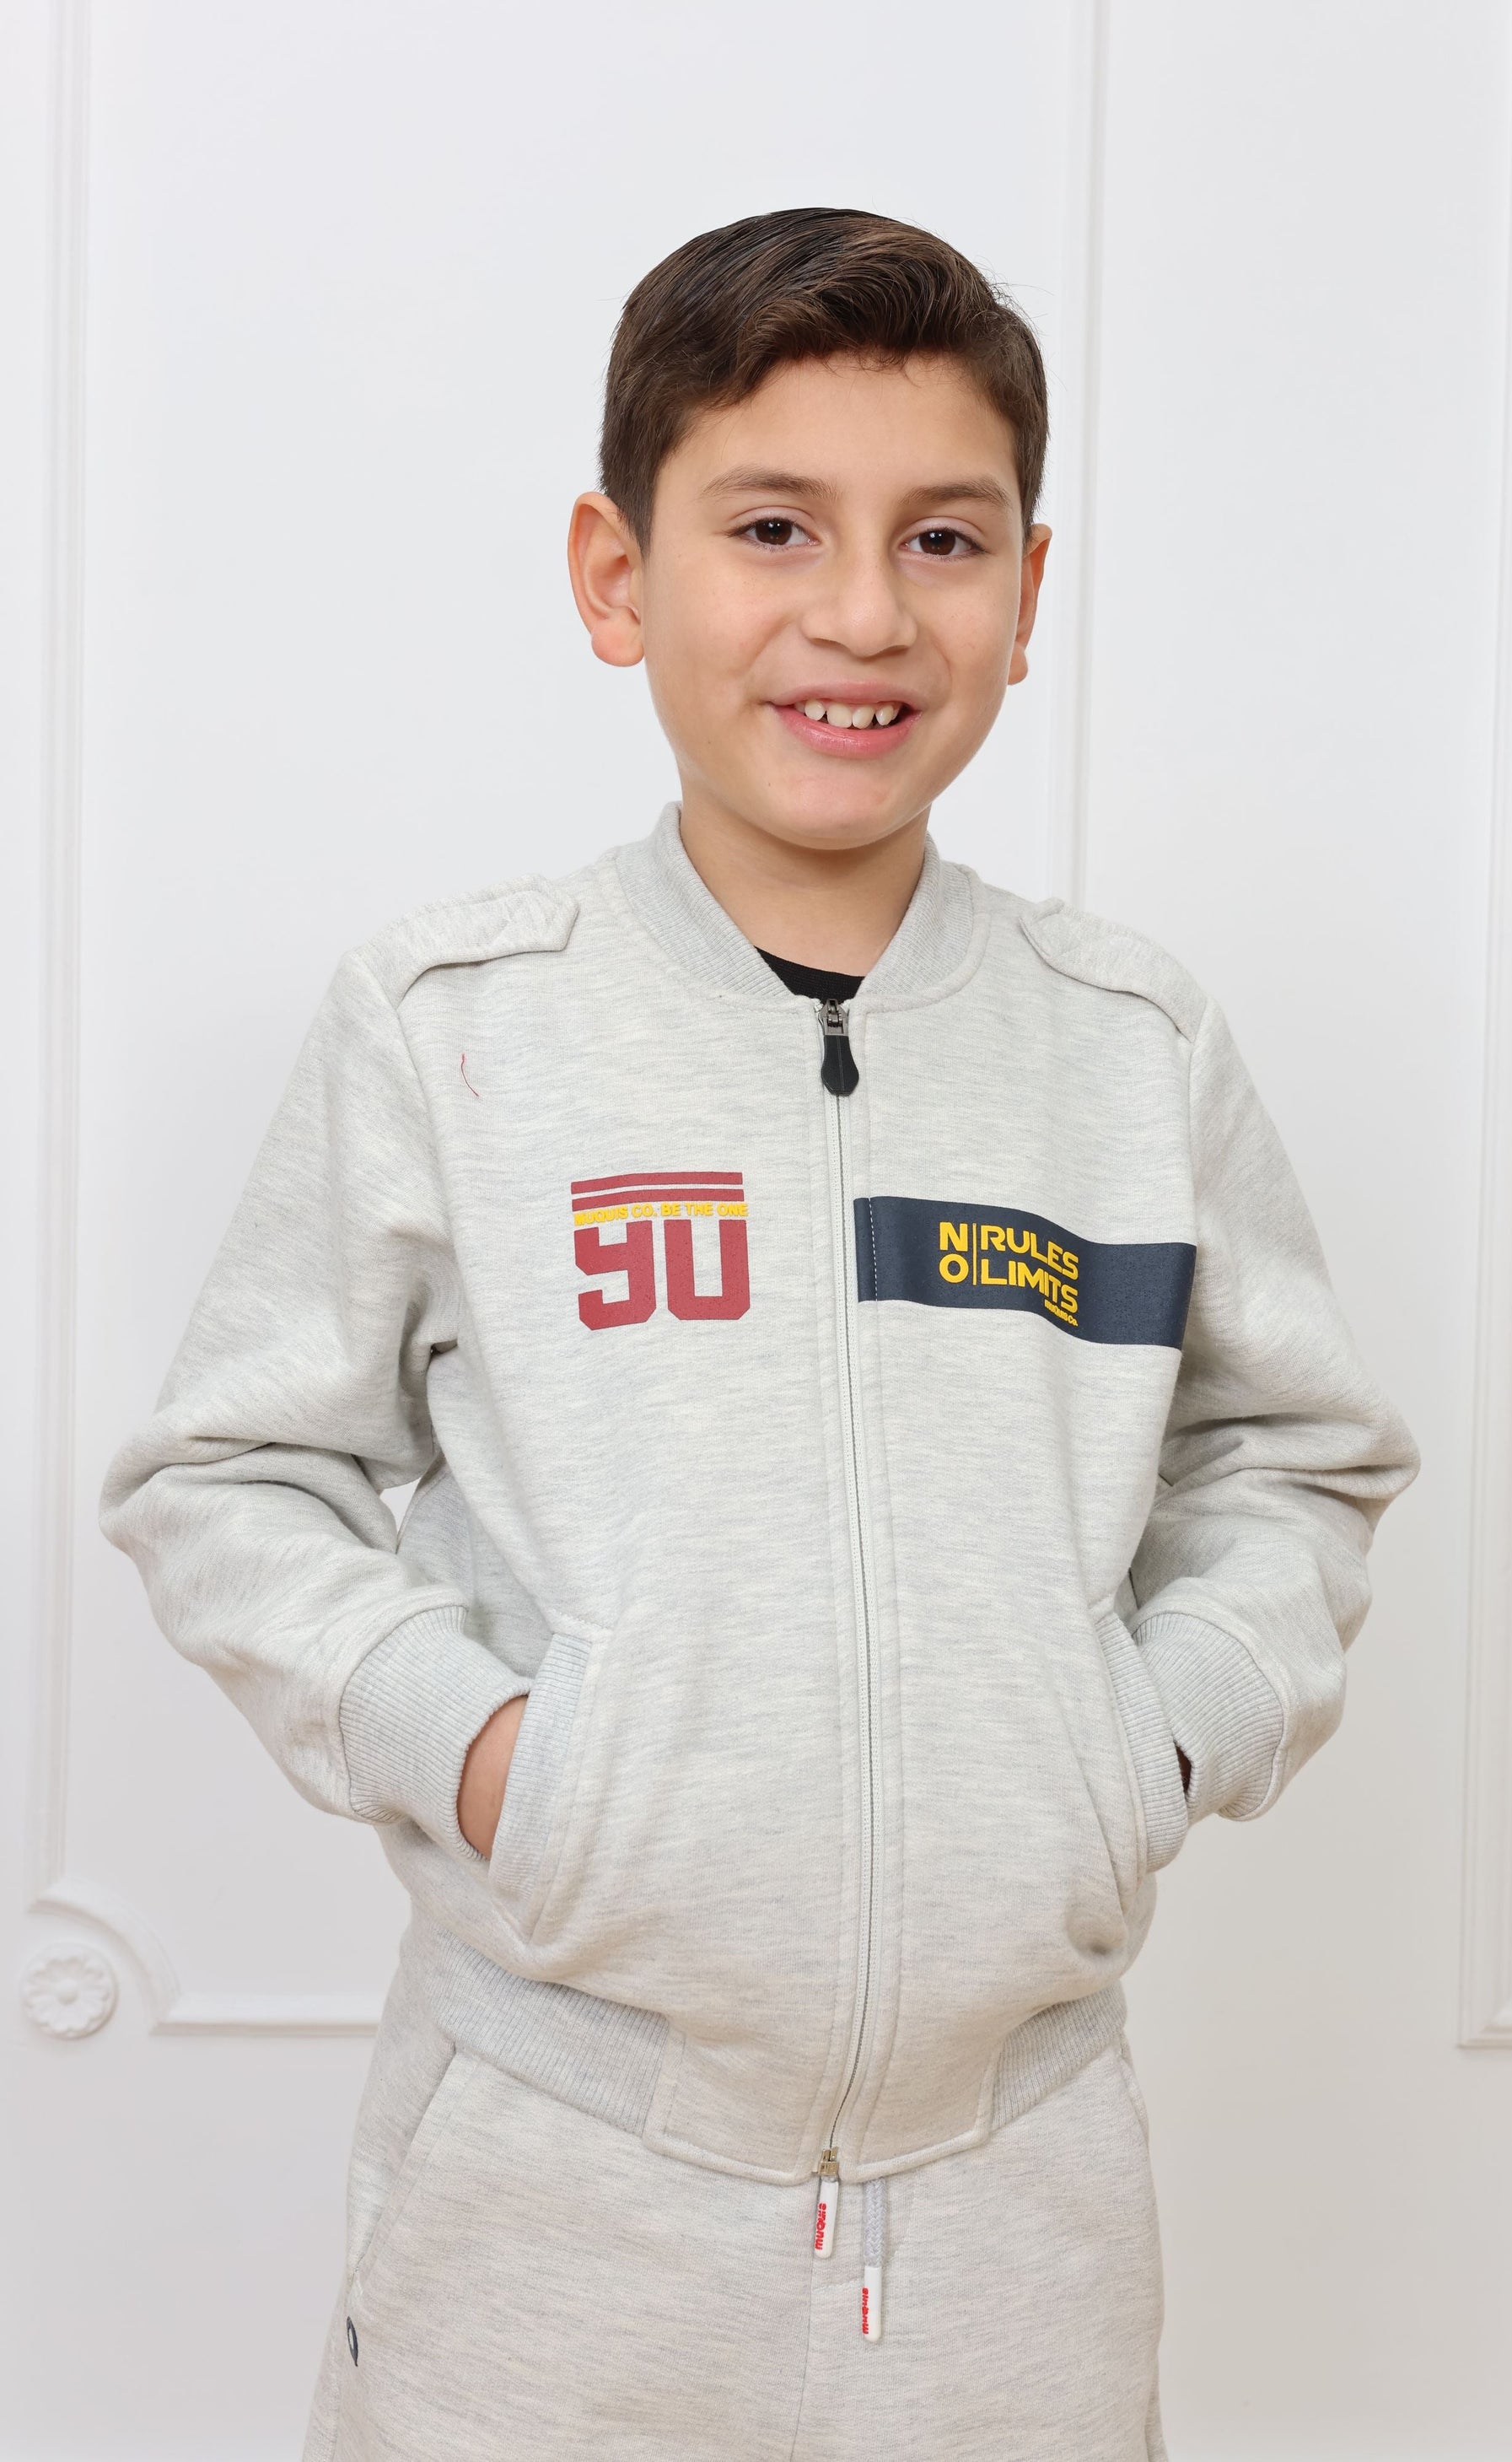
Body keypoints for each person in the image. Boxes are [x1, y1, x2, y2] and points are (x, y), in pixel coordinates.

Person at [100, 207, 1419, 2460]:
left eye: (943, 539)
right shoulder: (455, 1025)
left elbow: (1291, 1461)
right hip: (551, 2193)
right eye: (773, 526)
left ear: (1028, 593)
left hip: (1021, 2209)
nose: (862, 613)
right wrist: (499, 1758)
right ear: (618, 576)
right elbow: (231, 1476)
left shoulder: (1124, 1047)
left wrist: (1147, 1742)